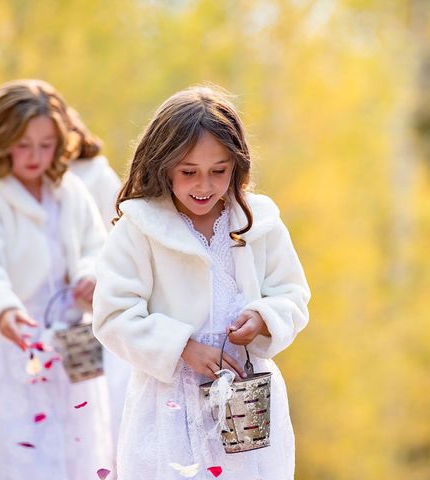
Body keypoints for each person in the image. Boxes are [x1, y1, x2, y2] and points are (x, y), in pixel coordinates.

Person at [92, 85, 310, 480]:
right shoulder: (140, 228)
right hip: (168, 403)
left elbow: (292, 294)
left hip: (246, 399)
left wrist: (263, 318)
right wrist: (182, 347)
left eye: (218, 171)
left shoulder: (258, 222)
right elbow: (113, 314)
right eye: (188, 172)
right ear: (163, 165)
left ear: (236, 166)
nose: (204, 186)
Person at [0, 79, 113, 480]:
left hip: (71, 336)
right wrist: (3, 309)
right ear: (2, 138)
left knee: (78, 445)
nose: (35, 156)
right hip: (9, 335)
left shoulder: (69, 189)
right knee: (15, 450)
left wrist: (90, 276)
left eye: (45, 145)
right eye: (24, 144)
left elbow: (97, 245)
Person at [67, 105, 131, 455]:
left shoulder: (96, 177)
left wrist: (94, 276)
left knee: (102, 408)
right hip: (53, 314)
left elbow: (116, 241)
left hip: (95, 311)